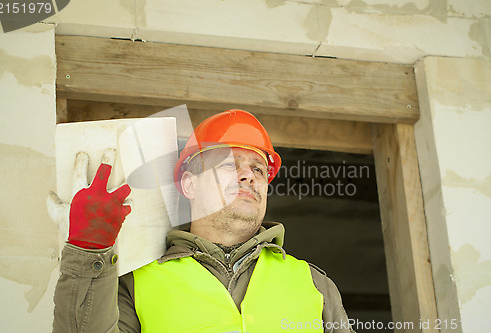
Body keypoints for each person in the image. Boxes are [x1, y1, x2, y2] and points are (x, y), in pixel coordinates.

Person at [50, 109, 355, 333]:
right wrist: (88, 249)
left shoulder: (315, 285)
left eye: (258, 169)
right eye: (228, 164)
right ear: (189, 184)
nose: (248, 175)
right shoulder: (136, 283)